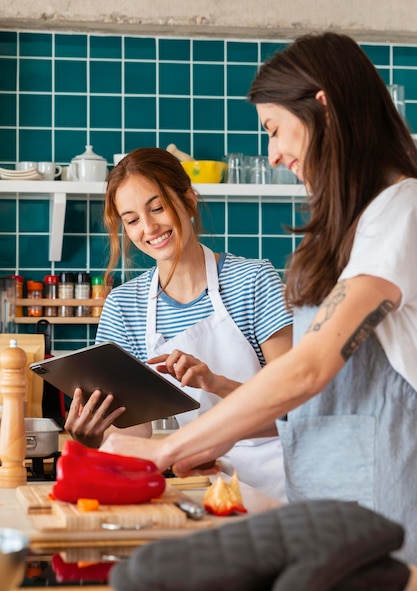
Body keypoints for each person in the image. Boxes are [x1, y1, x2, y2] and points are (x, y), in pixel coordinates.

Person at [98, 32, 417, 564]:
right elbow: (312, 407)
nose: (271, 154)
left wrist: (169, 449)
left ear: (324, 108)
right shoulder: (361, 228)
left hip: (385, 510)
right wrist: (210, 443)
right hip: (334, 510)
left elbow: (306, 369)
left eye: (273, 130)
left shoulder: (401, 211)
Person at [66, 147, 293, 500]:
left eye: (157, 208)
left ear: (188, 200)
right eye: (132, 219)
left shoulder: (253, 281)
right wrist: (94, 438)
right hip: (199, 485)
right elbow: (133, 435)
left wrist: (215, 383)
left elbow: (294, 408)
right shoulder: (124, 307)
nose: (149, 228)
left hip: (280, 482)